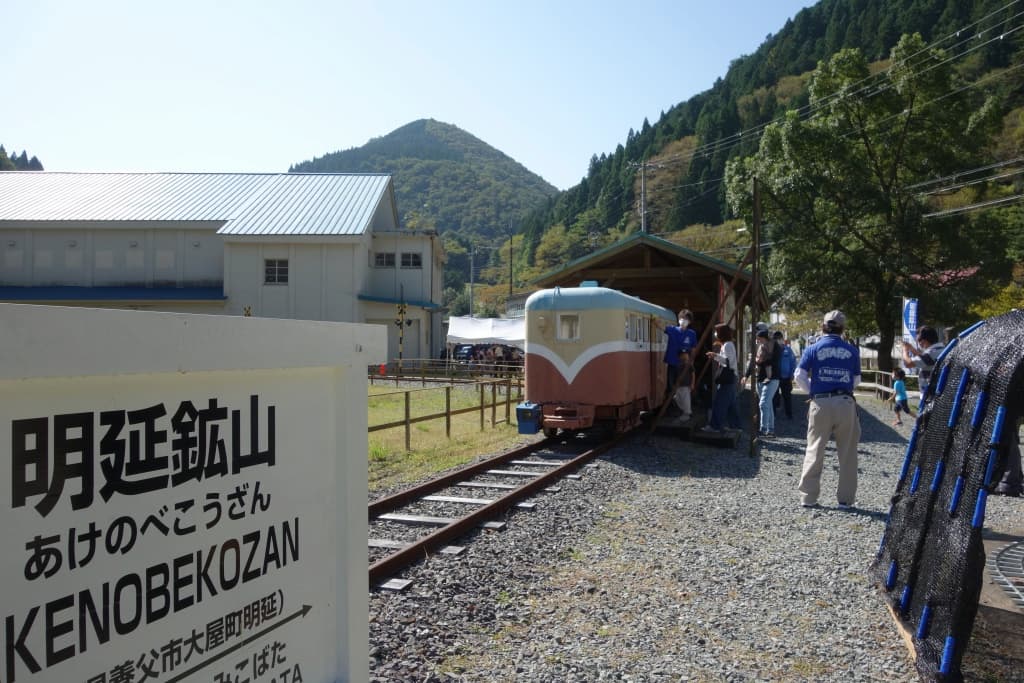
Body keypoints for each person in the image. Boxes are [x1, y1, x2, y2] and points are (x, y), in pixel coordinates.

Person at [794, 310, 861, 509]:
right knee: (848, 453)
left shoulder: (813, 348)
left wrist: (812, 392)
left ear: (823, 326)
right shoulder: (851, 350)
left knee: (814, 449)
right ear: (843, 328)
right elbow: (856, 380)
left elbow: (799, 375)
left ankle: (808, 497)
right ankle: (845, 500)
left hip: (820, 403)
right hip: (845, 402)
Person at [701, 323, 741, 433]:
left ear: (721, 333)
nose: (715, 334)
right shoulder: (728, 344)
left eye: (716, 331)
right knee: (731, 404)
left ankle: (715, 426)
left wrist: (715, 356)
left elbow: (728, 361)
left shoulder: (727, 345)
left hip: (727, 378)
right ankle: (735, 426)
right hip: (731, 377)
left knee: (720, 403)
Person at [658, 309, 697, 421]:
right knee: (671, 387)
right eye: (682, 318)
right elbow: (661, 327)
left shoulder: (691, 334)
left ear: (690, 321)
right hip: (672, 363)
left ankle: (685, 411)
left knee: (684, 388)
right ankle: (674, 410)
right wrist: (654, 320)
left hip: (685, 365)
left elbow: (693, 349)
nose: (683, 321)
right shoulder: (673, 330)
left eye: (686, 319)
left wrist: (692, 361)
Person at [902, 325, 943, 407]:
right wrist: (912, 349)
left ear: (923, 341)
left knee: (924, 419)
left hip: (929, 397)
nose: (918, 343)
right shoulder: (940, 349)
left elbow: (908, 363)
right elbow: (925, 359)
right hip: (937, 394)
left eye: (918, 341)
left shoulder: (931, 353)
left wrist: (905, 350)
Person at [754, 329, 782, 437]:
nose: (758, 341)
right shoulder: (760, 347)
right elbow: (755, 362)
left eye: (759, 338)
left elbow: (775, 361)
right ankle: (770, 430)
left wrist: (761, 362)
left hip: (773, 377)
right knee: (768, 405)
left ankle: (762, 429)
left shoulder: (775, 347)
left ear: (764, 338)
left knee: (763, 404)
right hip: (761, 378)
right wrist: (746, 376)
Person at [773, 331, 796, 419]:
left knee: (787, 396)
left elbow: (793, 362)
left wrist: (792, 374)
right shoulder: (772, 350)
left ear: (782, 339)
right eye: (776, 339)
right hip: (775, 377)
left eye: (780, 339)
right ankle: (773, 414)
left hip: (786, 377)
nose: (779, 341)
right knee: (774, 397)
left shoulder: (788, 350)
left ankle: (789, 414)